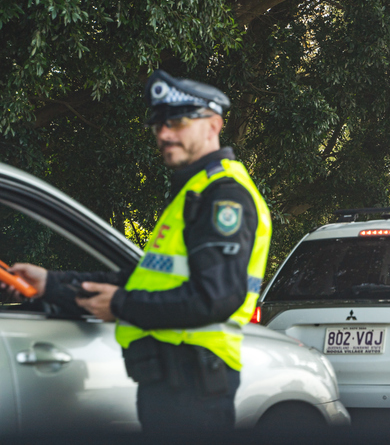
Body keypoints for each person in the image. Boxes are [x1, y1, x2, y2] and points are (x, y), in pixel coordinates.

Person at [7, 70, 272, 433]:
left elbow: (217, 297)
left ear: (213, 125)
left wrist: (120, 305)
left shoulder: (223, 196)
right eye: (158, 124)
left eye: (177, 122)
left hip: (194, 387)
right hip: (176, 384)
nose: (164, 133)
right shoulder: (194, 191)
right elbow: (142, 279)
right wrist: (51, 284)